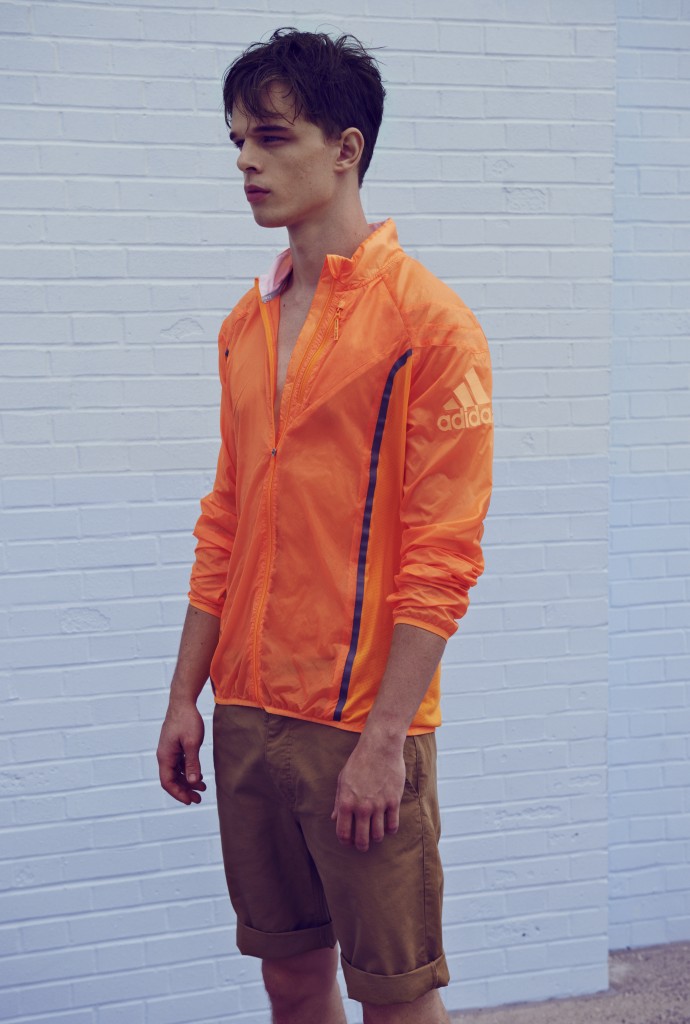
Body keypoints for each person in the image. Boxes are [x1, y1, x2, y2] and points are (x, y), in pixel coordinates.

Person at [156, 27, 493, 1024]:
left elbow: (443, 557)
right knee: (290, 978)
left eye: (271, 137)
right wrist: (184, 696)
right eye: (237, 141)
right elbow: (225, 523)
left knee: (396, 997)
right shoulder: (246, 325)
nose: (247, 163)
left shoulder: (430, 325)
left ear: (346, 148)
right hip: (246, 713)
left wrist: (386, 738)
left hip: (360, 728)